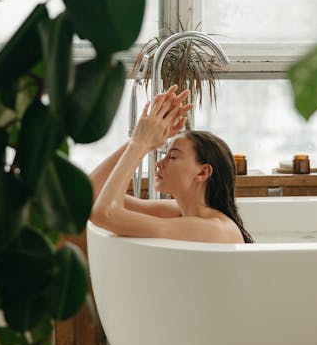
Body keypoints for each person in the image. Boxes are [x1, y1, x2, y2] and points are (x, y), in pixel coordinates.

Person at [90, 85, 253, 244]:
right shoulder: (178, 212)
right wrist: (143, 140)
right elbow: (90, 196)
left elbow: (104, 214)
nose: (159, 163)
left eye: (173, 156)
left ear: (202, 173)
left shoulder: (216, 228)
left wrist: (139, 143)